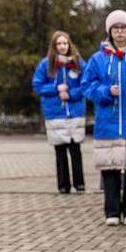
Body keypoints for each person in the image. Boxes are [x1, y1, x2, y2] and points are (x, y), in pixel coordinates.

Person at [82, 10, 126, 226]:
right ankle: (111, 211)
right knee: (110, 170)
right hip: (107, 125)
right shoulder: (97, 59)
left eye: (123, 28)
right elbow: (86, 86)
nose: (119, 32)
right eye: (115, 28)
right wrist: (104, 91)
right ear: (110, 32)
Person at [32, 31, 87, 194]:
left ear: (69, 44)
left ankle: (79, 183)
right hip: (55, 113)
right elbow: (37, 85)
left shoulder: (78, 63)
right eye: (59, 44)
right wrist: (55, 89)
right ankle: (63, 185)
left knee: (75, 149)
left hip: (74, 112)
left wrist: (71, 93)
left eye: (65, 43)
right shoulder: (46, 64)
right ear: (54, 46)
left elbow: (85, 84)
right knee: (60, 151)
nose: (63, 46)